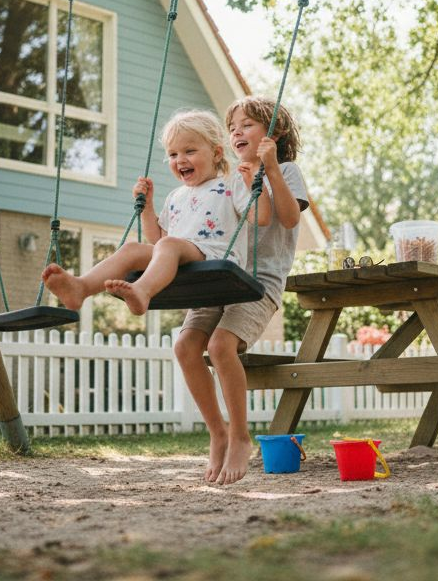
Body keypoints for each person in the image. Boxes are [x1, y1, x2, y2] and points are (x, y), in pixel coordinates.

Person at [174, 96, 308, 485]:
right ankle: (217, 432)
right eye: (233, 127)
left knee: (219, 346)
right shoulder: (231, 179)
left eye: (247, 124)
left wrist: (268, 170)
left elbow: (287, 216)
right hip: (221, 276)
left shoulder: (286, 170)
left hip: (260, 282)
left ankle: (239, 436)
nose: (237, 132)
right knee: (185, 346)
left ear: (274, 133)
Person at [42, 109, 269, 317]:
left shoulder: (232, 183)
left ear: (217, 153)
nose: (180, 160)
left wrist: (255, 188)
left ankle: (142, 290)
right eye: (172, 154)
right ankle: (81, 288)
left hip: (216, 257)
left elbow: (261, 218)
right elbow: (158, 239)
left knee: (170, 245)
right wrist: (147, 207)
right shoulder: (176, 196)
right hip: (179, 256)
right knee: (133, 248)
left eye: (189, 151)